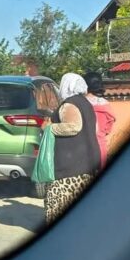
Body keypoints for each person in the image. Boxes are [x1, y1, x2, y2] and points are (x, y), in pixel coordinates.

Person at [44, 73, 101, 224]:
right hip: (88, 161)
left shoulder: (69, 104)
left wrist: (50, 127)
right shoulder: (86, 103)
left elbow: (74, 126)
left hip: (69, 166)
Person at [83, 70, 116, 168]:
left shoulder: (80, 103)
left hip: (83, 145)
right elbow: (108, 128)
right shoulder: (105, 104)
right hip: (100, 144)